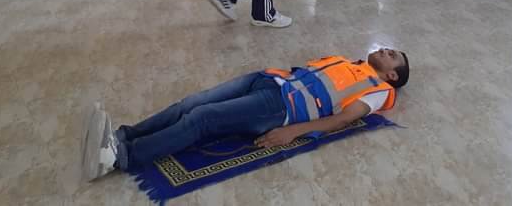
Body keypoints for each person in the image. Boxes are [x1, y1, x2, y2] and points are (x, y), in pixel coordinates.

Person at [81, 47, 410, 181]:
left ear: (393, 75)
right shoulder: (351, 63)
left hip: (280, 108)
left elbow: (342, 119)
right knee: (189, 103)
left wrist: (293, 131)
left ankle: (120, 158)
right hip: (270, 80)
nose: (384, 50)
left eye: (392, 55)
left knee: (202, 118)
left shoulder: (379, 91)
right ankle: (124, 136)